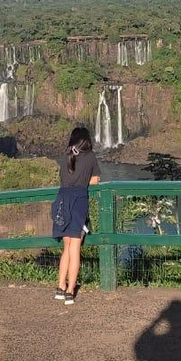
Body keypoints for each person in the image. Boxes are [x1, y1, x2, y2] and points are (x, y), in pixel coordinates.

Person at [52, 127, 101, 305]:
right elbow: (95, 181)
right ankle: (71, 290)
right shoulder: (90, 157)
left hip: (62, 201)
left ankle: (60, 287)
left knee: (66, 248)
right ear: (86, 141)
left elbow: (64, 179)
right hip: (79, 202)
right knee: (75, 249)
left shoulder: (66, 156)